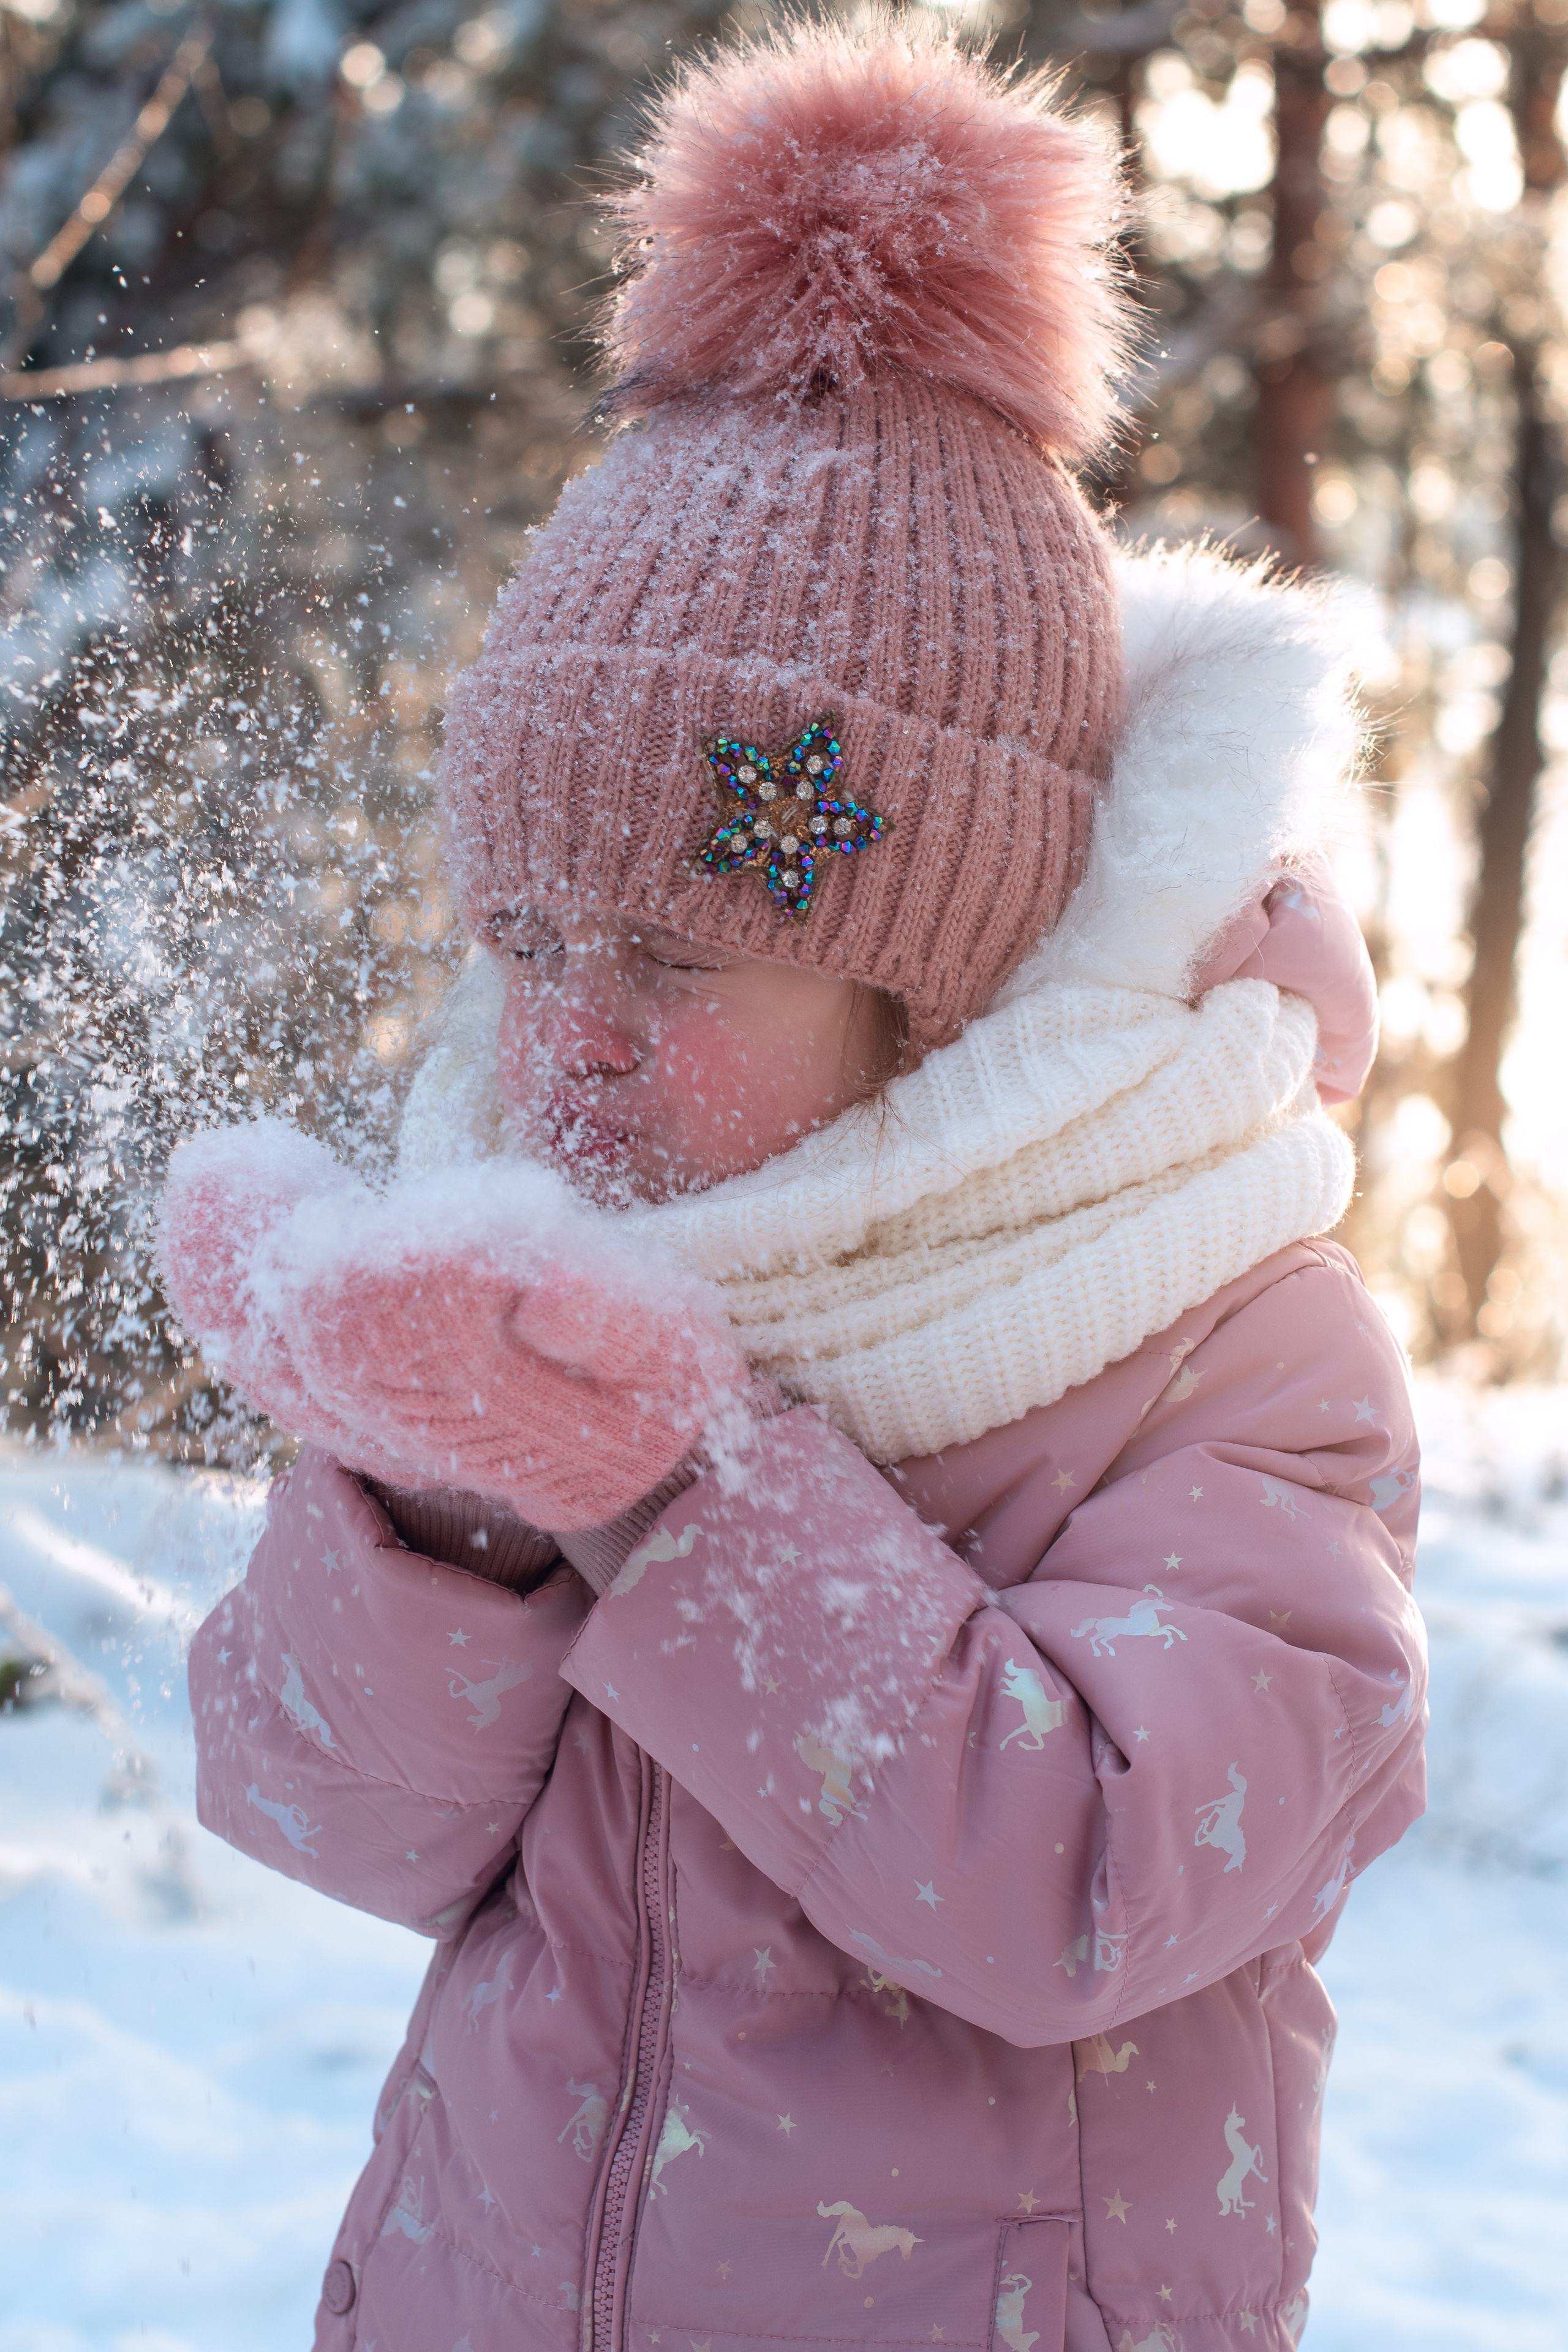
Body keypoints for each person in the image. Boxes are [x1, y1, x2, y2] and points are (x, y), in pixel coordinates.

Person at [160, 20, 1425, 2352]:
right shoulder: (546, 1281)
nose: (579, 1030)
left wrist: (673, 1482)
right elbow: (317, 1813)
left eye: (681, 949)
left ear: (927, 985)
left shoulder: (1225, 1337)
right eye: (531, 941)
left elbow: (1097, 1885)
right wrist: (439, 1506)